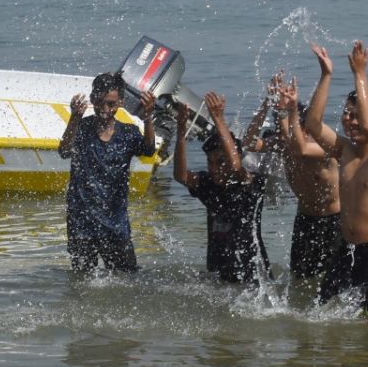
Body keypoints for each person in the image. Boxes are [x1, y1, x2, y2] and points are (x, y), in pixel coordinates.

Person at [303, 41, 368, 319]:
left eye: (356, 114)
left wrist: (360, 72)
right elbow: (311, 125)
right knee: (319, 313)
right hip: (347, 249)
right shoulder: (344, 149)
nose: (350, 120)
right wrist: (326, 76)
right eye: (347, 114)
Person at [58, 71, 156, 272]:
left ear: (120, 102)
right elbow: (64, 151)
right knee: (82, 279)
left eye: (111, 104)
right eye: (100, 103)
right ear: (92, 99)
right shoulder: (82, 128)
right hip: (81, 222)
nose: (104, 109)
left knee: (127, 277)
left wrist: (148, 118)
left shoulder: (128, 133)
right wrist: (75, 117)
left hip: (115, 222)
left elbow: (148, 149)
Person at [173, 91, 270, 284]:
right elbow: (180, 175)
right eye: (210, 162)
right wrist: (181, 133)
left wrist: (219, 119)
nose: (214, 168)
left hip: (252, 276)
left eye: (220, 162)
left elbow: (235, 166)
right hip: (218, 273)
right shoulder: (208, 184)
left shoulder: (250, 182)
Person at [275, 78, 343, 280]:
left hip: (332, 220)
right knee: (300, 277)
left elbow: (301, 150)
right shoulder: (286, 147)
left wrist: (293, 110)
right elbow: (250, 143)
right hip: (305, 219)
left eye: (293, 125)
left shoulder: (323, 149)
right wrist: (275, 106)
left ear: (305, 129)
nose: (286, 131)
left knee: (334, 278)